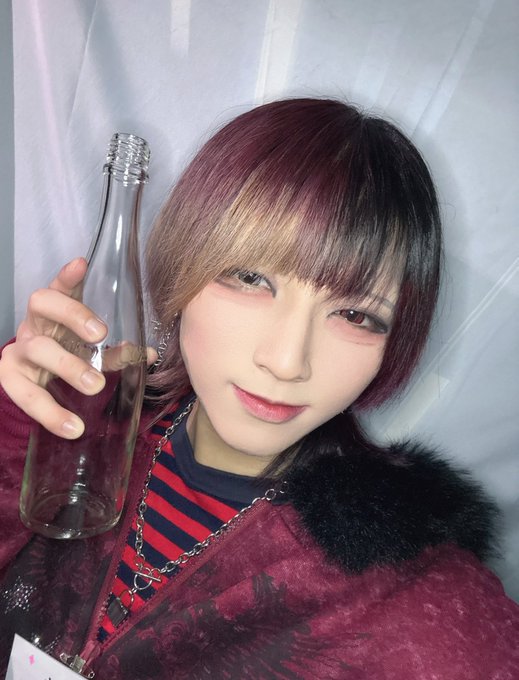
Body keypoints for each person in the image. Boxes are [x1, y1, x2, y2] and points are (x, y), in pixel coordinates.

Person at [0, 98, 517, 679]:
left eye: (354, 314)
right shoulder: (93, 429)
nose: (286, 362)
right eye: (251, 278)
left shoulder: (414, 596)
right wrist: (19, 423)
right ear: (180, 267)